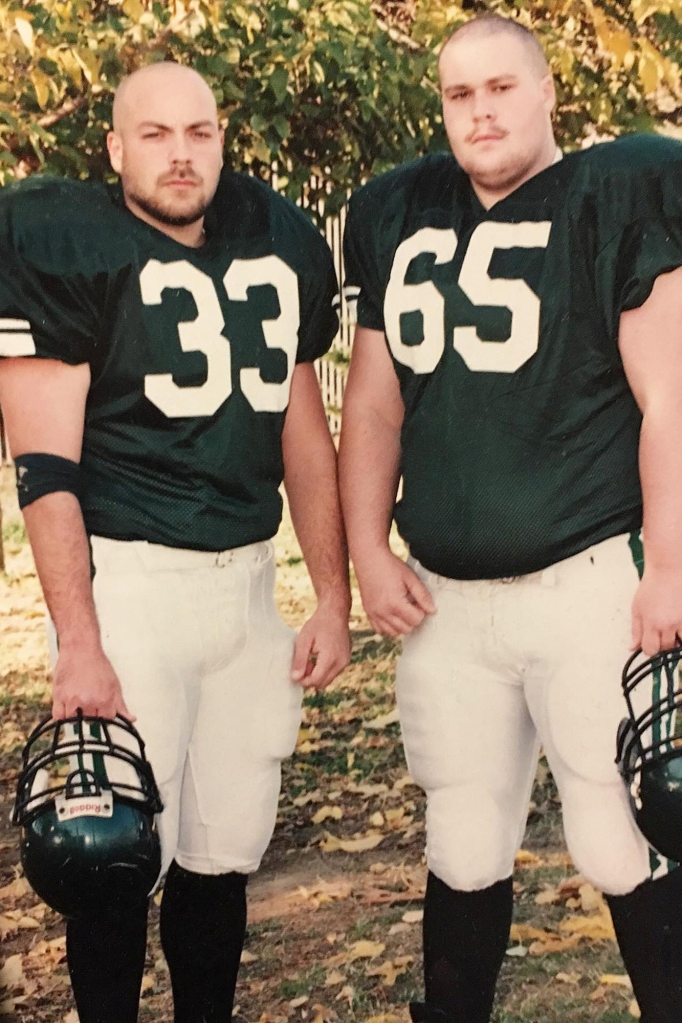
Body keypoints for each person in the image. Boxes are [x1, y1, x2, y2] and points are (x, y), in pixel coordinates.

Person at [339, 14, 682, 1023]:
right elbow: (371, 398)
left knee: (618, 835)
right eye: (458, 95)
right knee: (461, 835)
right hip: (447, 597)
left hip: (586, 581)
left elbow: (668, 396)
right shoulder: (397, 210)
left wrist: (667, 565)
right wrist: (365, 546)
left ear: (545, 95)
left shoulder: (611, 193)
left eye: (499, 89)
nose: (479, 112)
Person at [0, 61, 351, 1023]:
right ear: (114, 148)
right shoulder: (64, 239)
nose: (181, 154)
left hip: (244, 585)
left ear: (222, 138)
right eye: (154, 135)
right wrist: (77, 641)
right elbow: (45, 466)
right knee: (109, 852)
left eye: (199, 132)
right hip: (133, 586)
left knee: (223, 848)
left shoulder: (273, 234)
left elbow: (302, 427)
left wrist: (329, 591)